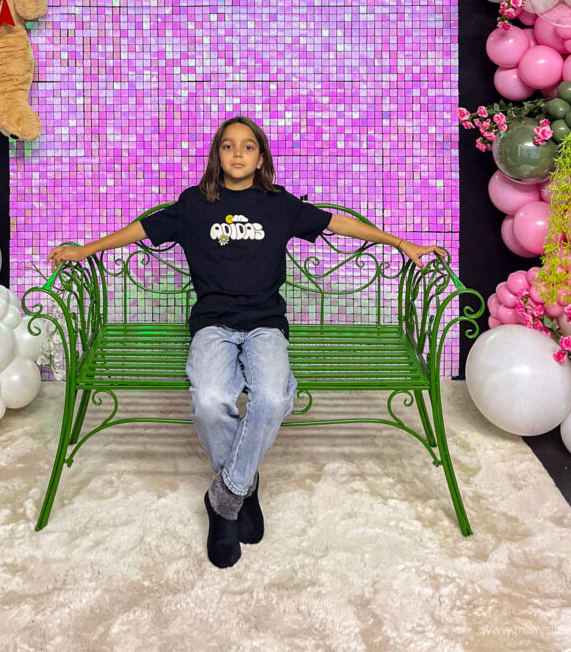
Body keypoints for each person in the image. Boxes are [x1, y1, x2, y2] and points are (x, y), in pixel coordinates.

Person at [48, 116, 445, 569]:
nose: (237, 153)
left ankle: (224, 498)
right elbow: (140, 229)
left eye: (248, 146)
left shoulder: (278, 204)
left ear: (260, 159)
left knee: (273, 398)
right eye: (228, 146)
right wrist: (84, 250)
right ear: (218, 156)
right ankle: (245, 486)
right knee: (209, 400)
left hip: (264, 325)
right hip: (213, 324)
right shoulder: (194, 205)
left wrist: (401, 243)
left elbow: (337, 223)